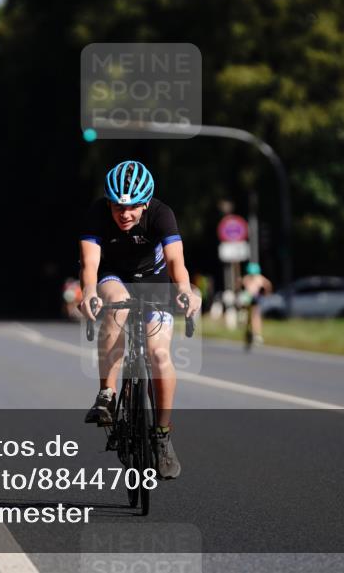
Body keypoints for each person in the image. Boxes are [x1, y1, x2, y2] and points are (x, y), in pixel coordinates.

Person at [78, 160, 202, 480]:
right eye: (118, 207)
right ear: (109, 202)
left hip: (154, 279)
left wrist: (185, 291)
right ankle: (107, 394)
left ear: (145, 203)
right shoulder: (96, 214)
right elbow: (90, 265)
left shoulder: (162, 214)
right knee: (117, 307)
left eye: (133, 208)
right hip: (113, 275)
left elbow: (177, 263)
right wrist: (89, 293)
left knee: (159, 354)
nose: (125, 215)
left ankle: (162, 435)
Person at [239, 261, 273, 349]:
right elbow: (268, 285)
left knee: (255, 316)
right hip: (248, 298)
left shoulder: (257, 278)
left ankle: (256, 334)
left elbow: (268, 285)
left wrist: (266, 293)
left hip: (253, 298)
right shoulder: (250, 278)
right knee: (251, 316)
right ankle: (252, 333)